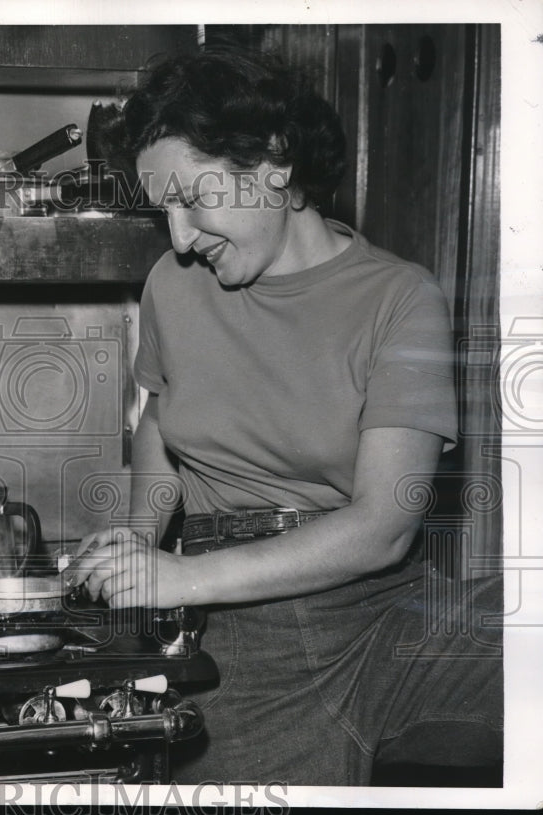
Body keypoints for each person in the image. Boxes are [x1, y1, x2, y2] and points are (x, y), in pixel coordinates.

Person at [70, 44, 503, 786]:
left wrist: (175, 579)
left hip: (378, 605)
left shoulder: (401, 298)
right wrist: (140, 546)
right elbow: (160, 420)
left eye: (192, 199)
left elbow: (384, 525)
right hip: (240, 624)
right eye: (163, 209)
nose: (178, 237)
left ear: (273, 161)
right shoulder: (173, 285)